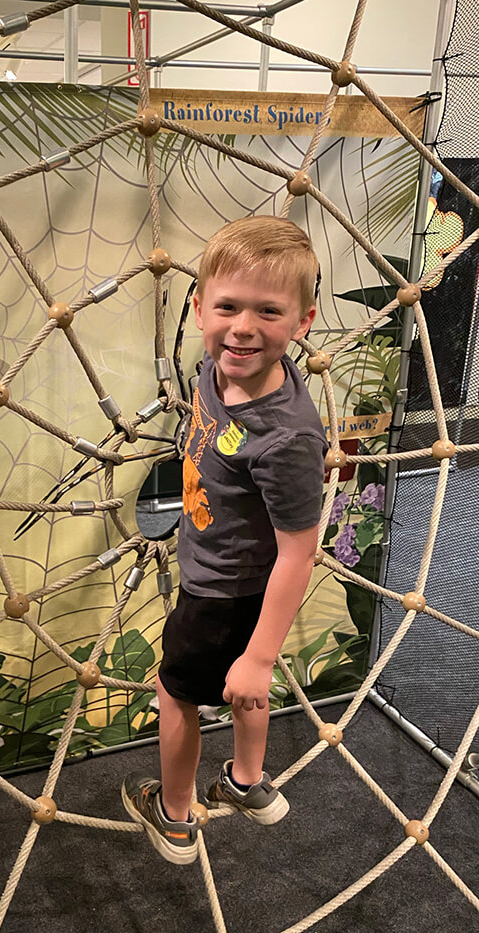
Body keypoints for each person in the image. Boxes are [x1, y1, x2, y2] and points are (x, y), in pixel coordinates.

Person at [122, 215, 327, 865]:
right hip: (226, 570)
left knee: (179, 693)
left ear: (304, 323)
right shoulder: (221, 371)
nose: (242, 327)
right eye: (227, 307)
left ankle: (176, 815)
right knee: (244, 691)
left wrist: (262, 653)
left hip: (222, 588)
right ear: (198, 308)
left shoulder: (287, 436)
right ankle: (246, 783)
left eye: (268, 312)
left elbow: (300, 550)